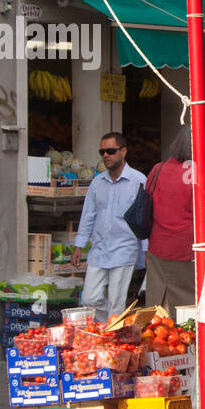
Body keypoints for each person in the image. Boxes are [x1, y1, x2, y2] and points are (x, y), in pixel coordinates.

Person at [73, 132, 146, 321]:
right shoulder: (97, 183)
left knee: (116, 303)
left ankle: (113, 338)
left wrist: (146, 252)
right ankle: (117, 325)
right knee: (89, 298)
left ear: (123, 152)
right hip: (99, 250)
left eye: (111, 151)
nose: (106, 155)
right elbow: (88, 215)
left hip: (124, 249)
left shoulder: (138, 181)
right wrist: (79, 245)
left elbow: (145, 219)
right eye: (102, 151)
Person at [144, 126, 196, 311]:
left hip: (158, 245)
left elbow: (147, 203)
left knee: (158, 301)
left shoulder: (158, 169)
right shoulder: (198, 174)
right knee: (187, 306)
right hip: (187, 248)